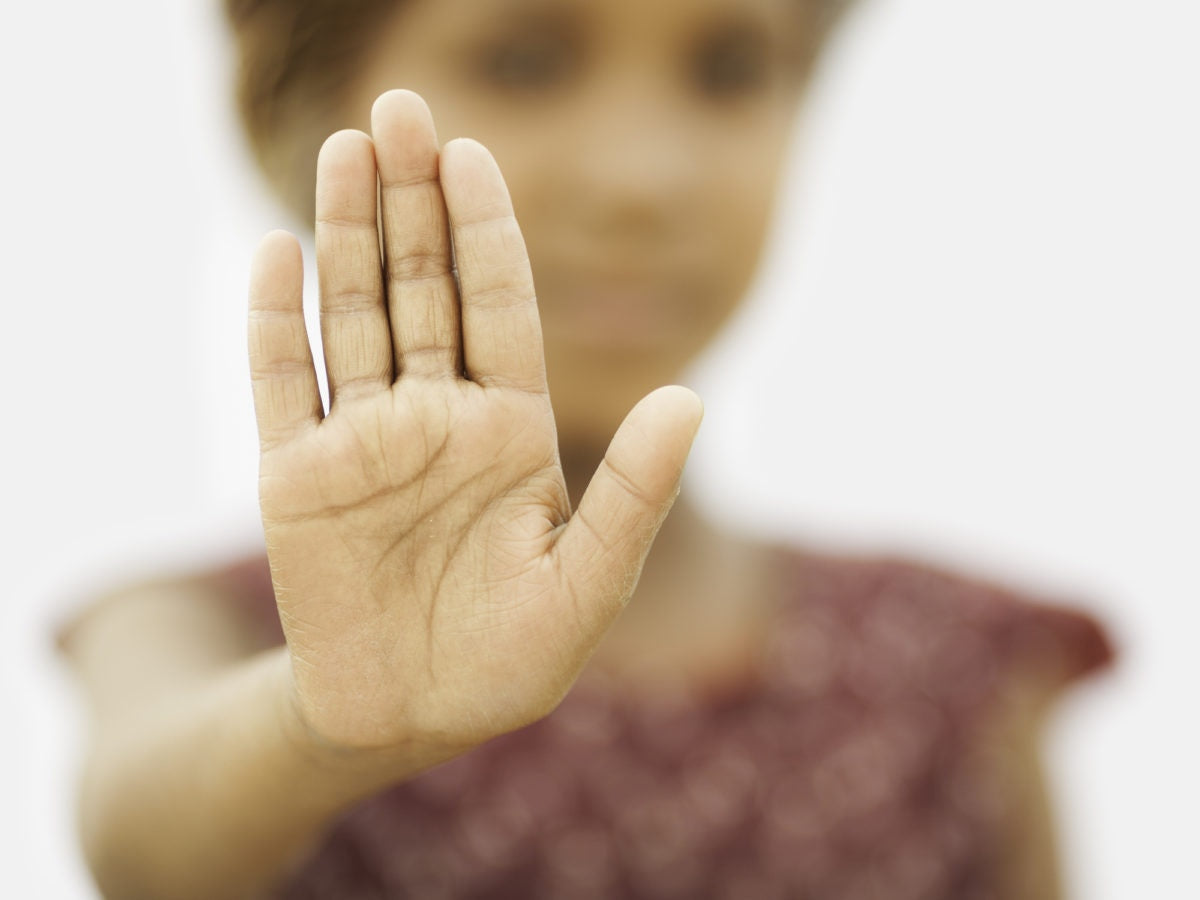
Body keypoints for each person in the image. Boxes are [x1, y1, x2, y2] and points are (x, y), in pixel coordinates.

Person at [59, 0, 1112, 897]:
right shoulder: (204, 631)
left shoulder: (954, 669)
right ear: (302, 111)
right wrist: (324, 726)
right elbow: (140, 844)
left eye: (730, 69)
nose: (640, 177)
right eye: (526, 60)